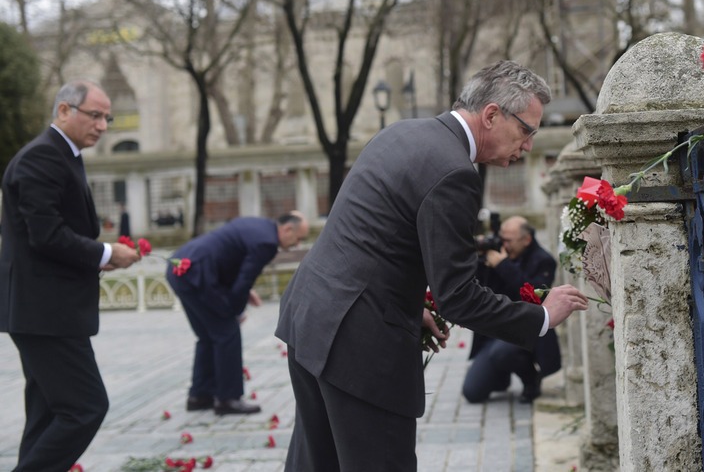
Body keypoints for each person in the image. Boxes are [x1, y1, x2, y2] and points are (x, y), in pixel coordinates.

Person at [276, 60, 590, 471]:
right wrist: (541, 317)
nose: (529, 144)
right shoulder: (454, 173)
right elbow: (459, 297)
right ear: (492, 115)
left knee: (318, 463)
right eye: (526, 130)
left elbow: (369, 240)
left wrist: (408, 305)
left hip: (310, 318)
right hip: (358, 347)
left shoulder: (402, 133)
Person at [0, 80, 142, 471]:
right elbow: (46, 236)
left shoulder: (63, 154)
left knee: (48, 414)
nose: (103, 126)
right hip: (45, 313)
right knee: (86, 407)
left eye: (107, 118)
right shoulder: (42, 157)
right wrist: (107, 251)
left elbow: (53, 235)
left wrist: (102, 257)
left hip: (46, 311)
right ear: (64, 111)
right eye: (94, 115)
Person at [166, 211, 309, 415]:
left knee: (208, 336)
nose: (297, 245)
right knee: (227, 333)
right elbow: (244, 281)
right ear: (287, 229)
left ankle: (200, 395)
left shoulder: (259, 225)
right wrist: (236, 311)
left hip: (180, 267)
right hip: (198, 274)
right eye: (298, 238)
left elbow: (231, 259)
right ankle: (228, 399)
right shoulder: (267, 243)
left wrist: (237, 300)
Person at [463, 216, 560, 404]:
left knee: (502, 353)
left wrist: (503, 265)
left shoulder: (543, 260)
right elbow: (480, 288)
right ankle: (501, 377)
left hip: (527, 330)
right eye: (502, 239)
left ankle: (531, 380)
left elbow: (533, 295)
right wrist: (481, 263)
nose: (504, 245)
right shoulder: (497, 254)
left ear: (527, 240)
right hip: (495, 333)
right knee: (472, 393)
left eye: (509, 241)